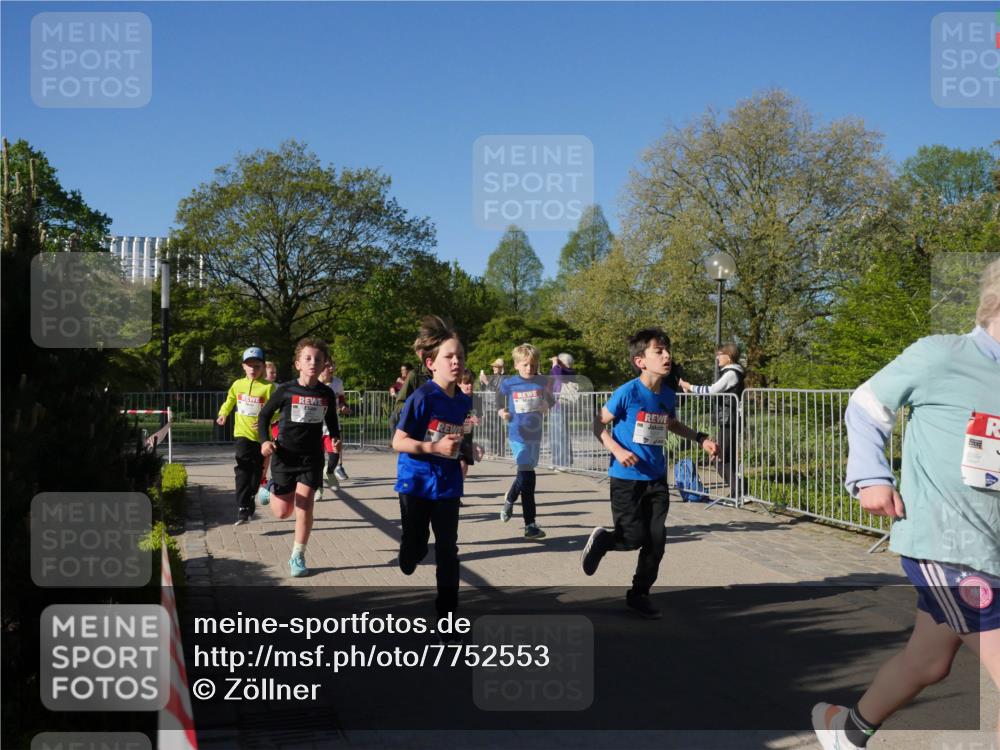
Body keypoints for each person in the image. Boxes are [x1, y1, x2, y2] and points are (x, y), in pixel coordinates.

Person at [812, 259, 1000, 750]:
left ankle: (845, 730)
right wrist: (871, 476)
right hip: (947, 544)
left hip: (995, 549)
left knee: (929, 662)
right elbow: (867, 405)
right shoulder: (942, 355)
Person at [582, 328, 718, 619]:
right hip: (626, 478)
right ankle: (604, 541)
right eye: (659, 351)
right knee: (632, 538)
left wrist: (701, 438)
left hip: (656, 478)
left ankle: (639, 594)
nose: (667, 355)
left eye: (667, 350)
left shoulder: (668, 395)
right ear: (640, 360)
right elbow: (597, 423)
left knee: (657, 538)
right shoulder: (628, 392)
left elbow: (671, 424)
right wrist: (617, 451)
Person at [392, 315, 471, 635]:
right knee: (416, 544)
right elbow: (397, 442)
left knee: (448, 548)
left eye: (460, 356)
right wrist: (434, 448)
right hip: (417, 481)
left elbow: (457, 435)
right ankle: (409, 552)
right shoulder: (422, 397)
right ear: (431, 363)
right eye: (449, 356)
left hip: (448, 483)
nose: (456, 361)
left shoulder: (464, 400)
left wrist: (466, 452)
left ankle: (448, 615)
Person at [257, 338, 341, 577]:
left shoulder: (326, 393)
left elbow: (332, 420)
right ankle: (271, 485)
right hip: (285, 456)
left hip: (311, 458)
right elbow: (264, 417)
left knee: (304, 507)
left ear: (324, 363)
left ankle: (298, 555)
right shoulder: (285, 390)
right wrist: (265, 441)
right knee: (282, 512)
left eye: (318, 359)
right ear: (298, 364)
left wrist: (334, 438)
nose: (313, 362)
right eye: (308, 358)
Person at [497, 344, 553, 540]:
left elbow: (551, 400)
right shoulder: (510, 383)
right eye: (525, 365)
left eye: (533, 364)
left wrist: (547, 404)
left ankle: (510, 498)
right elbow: (498, 397)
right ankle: (530, 525)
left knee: (525, 477)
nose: (530, 368)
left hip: (535, 436)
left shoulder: (542, 381)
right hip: (517, 435)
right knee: (529, 479)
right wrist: (501, 411)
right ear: (516, 365)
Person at [216, 347, 276, 525]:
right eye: (249, 365)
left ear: (263, 367)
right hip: (242, 433)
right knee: (242, 467)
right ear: (243, 366)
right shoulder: (237, 384)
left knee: (257, 471)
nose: (253, 369)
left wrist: (266, 419)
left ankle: (250, 496)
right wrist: (223, 413)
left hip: (260, 436)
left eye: (256, 366)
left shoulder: (269, 387)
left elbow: (278, 410)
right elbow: (230, 400)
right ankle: (242, 506)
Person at [678, 343, 746, 499]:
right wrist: (691, 389)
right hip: (729, 420)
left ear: (728, 357)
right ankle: (739, 492)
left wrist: (689, 386)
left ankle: (741, 492)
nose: (717, 358)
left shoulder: (731, 373)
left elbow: (712, 390)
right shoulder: (732, 372)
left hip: (730, 420)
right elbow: (711, 393)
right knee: (725, 458)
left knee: (719, 458)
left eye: (719, 354)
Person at [257, 360, 280, 505]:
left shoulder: (278, 388)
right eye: (272, 372)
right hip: (258, 427)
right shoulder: (258, 386)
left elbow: (280, 410)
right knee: (259, 456)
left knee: (270, 454)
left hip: (275, 425)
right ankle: (262, 482)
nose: (275, 375)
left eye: (275, 372)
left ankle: (265, 483)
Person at [548, 352, 577, 469]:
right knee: (554, 435)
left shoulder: (569, 372)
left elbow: (558, 375)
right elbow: (552, 375)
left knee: (561, 434)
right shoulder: (559, 370)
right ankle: (556, 461)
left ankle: (564, 463)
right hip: (554, 406)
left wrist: (555, 363)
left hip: (562, 406)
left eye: (560, 362)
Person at [458, 369, 485, 487]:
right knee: (461, 465)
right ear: (459, 384)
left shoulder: (477, 399)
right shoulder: (455, 399)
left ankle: (457, 493)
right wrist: (468, 420)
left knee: (465, 468)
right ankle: (453, 495)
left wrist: (478, 420)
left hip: (468, 438)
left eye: (471, 383)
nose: (470, 386)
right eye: (466, 383)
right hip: (454, 437)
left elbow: (480, 418)